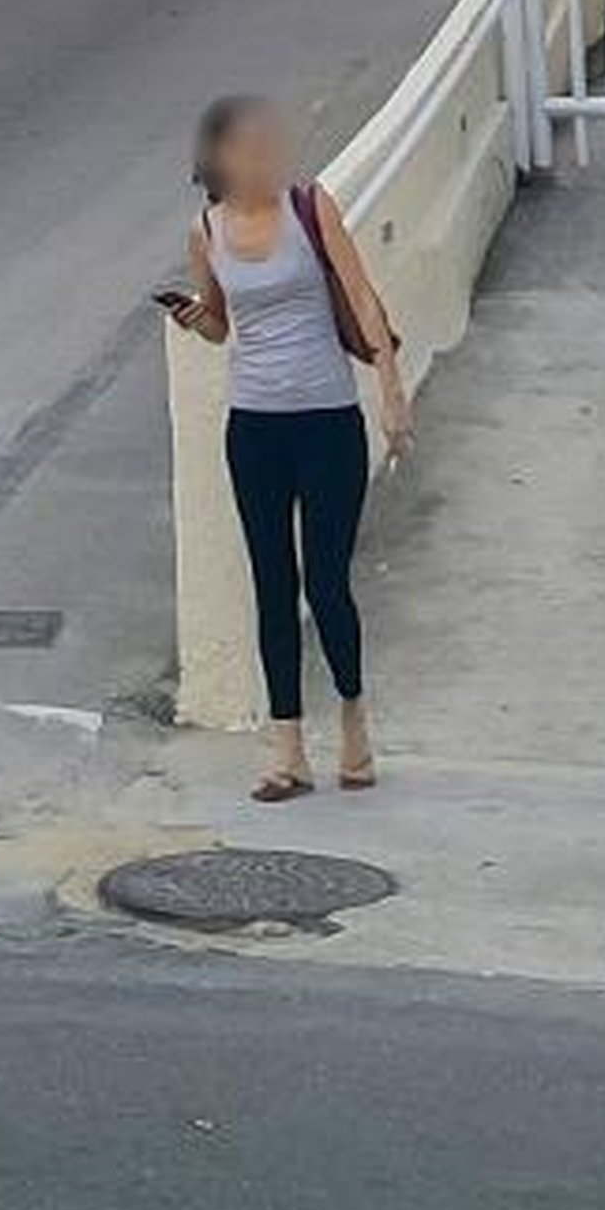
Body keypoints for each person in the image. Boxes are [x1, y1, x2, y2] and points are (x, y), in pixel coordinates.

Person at [175, 89, 408, 803]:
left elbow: (362, 298)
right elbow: (221, 323)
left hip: (328, 418)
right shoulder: (205, 230)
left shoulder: (311, 208)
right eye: (246, 148)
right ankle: (286, 751)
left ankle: (355, 722)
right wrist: (195, 320)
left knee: (326, 581)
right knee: (271, 584)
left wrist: (390, 387)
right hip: (255, 425)